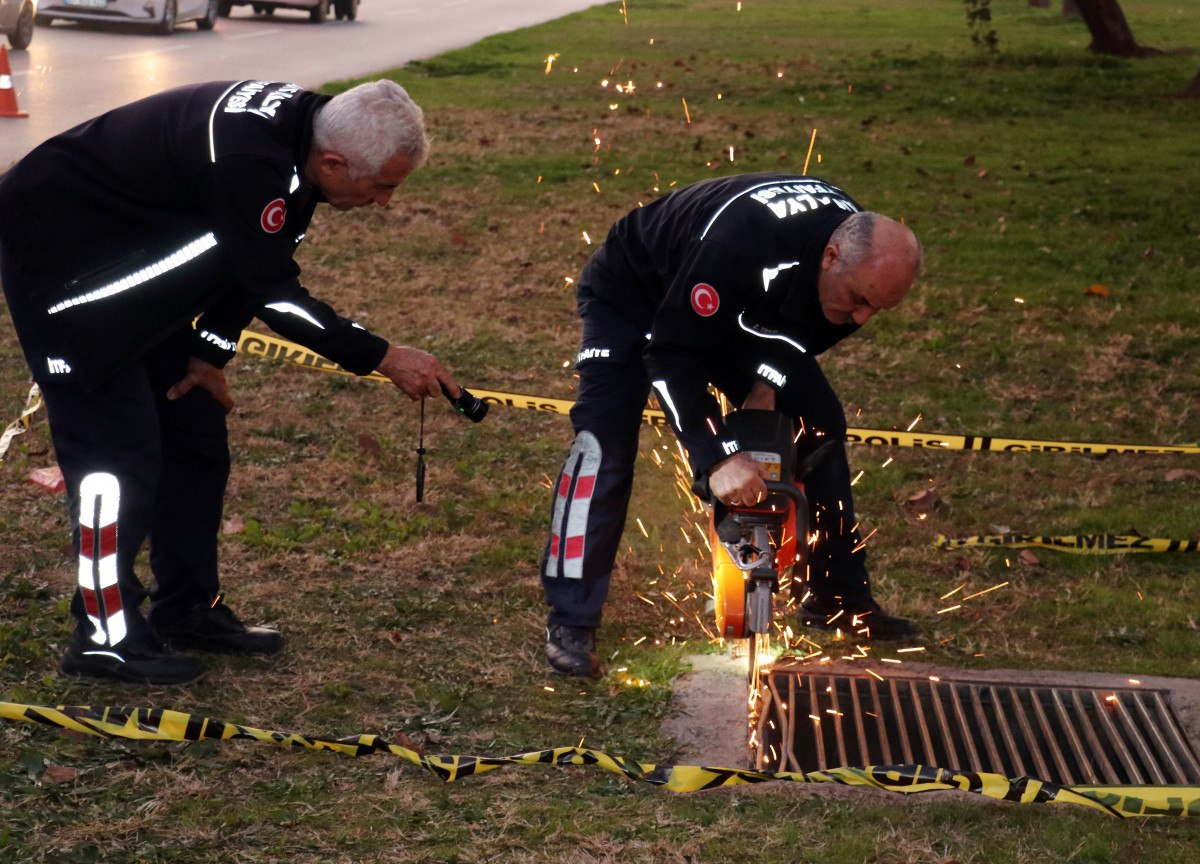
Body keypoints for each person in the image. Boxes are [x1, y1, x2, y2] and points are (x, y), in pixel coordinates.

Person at [0, 79, 466, 685]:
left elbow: (251, 259)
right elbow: (275, 292)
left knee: (195, 438)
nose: (385, 203)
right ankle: (103, 637)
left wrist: (209, 352)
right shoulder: (250, 159)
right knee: (118, 464)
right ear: (334, 162)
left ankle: (187, 608)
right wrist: (381, 355)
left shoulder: (302, 136)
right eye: (382, 187)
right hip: (67, 273)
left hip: (137, 273)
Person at [540, 173, 923, 678]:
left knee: (819, 421)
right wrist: (715, 455)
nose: (862, 318)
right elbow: (671, 354)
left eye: (879, 307)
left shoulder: (850, 255)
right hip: (635, 296)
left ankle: (835, 595)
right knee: (604, 441)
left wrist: (765, 386)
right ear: (831, 257)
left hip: (733, 307)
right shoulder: (738, 245)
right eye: (859, 299)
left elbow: (803, 332)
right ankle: (571, 620)